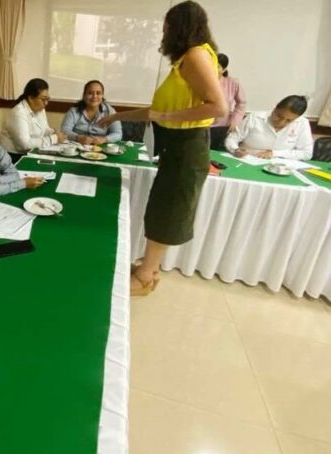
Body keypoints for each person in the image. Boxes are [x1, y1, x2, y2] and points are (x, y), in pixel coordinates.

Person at [99, 0, 227, 296]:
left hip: (187, 146)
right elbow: (154, 111)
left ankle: (145, 277)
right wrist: (117, 116)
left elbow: (218, 107)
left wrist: (167, 117)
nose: (164, 32)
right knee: (163, 207)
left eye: (167, 26)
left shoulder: (195, 55)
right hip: (177, 147)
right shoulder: (189, 59)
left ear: (180, 27)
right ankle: (151, 268)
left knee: (168, 210)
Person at [224, 95, 313, 160]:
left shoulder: (302, 123)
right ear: (275, 108)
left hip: (281, 167)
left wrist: (274, 154)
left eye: (288, 120)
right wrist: (236, 149)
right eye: (279, 116)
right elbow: (232, 138)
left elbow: (306, 153)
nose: (281, 122)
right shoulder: (255, 117)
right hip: (247, 160)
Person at [1, 78, 66, 152]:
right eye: (43, 99)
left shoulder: (40, 109)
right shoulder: (18, 113)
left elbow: (44, 129)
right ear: (31, 98)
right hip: (13, 155)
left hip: (32, 151)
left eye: (47, 99)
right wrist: (54, 138)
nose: (46, 103)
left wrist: (53, 132)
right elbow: (24, 144)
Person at [60, 80, 122, 145]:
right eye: (90, 93)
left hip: (100, 149)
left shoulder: (110, 112)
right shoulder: (74, 111)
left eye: (98, 93)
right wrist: (78, 137)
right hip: (77, 146)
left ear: (102, 96)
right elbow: (64, 130)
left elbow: (118, 134)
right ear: (84, 95)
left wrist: (104, 139)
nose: (94, 96)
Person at [210, 53, 246, 151]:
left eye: (217, 66)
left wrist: (235, 121)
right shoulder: (198, 81)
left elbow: (241, 104)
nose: (212, 68)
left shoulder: (233, 83)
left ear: (224, 70)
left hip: (221, 128)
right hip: (200, 127)